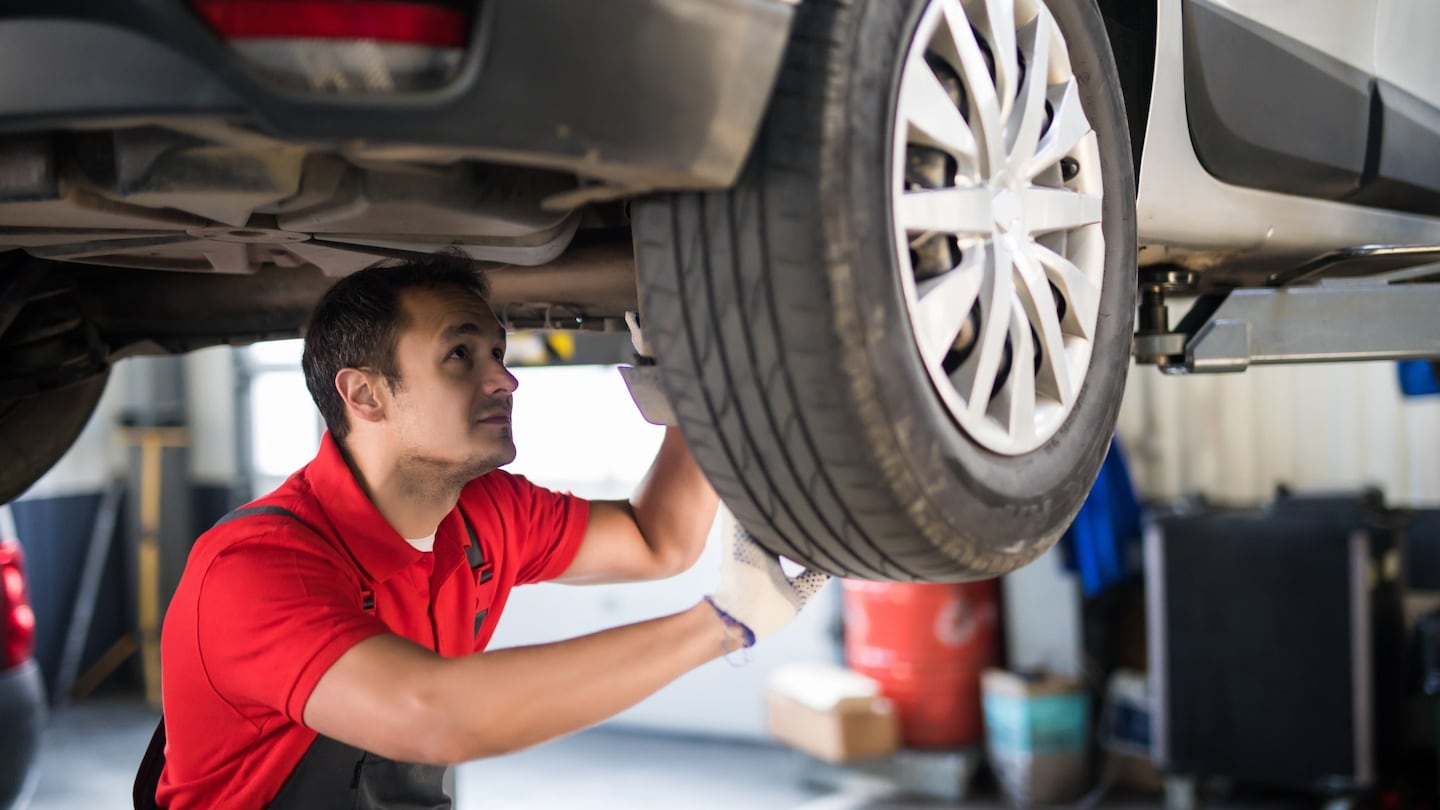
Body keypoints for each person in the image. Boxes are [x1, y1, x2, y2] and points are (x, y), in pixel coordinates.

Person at [148, 253, 829, 809]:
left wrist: (693, 390)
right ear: (364, 394)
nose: (505, 379)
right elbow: (434, 717)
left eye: (497, 351)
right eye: (460, 355)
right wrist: (721, 624)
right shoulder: (255, 568)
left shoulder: (482, 514)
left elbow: (658, 540)